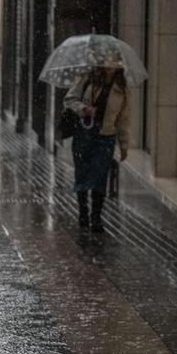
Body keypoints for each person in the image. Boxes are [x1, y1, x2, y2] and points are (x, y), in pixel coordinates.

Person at [63, 60, 131, 233]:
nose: (110, 64)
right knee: (83, 172)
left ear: (120, 65)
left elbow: (123, 119)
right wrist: (84, 108)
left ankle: (96, 216)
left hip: (106, 137)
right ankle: (83, 211)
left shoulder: (122, 89)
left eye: (114, 61)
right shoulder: (88, 78)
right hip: (84, 133)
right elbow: (69, 99)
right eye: (107, 60)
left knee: (100, 175)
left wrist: (124, 145)